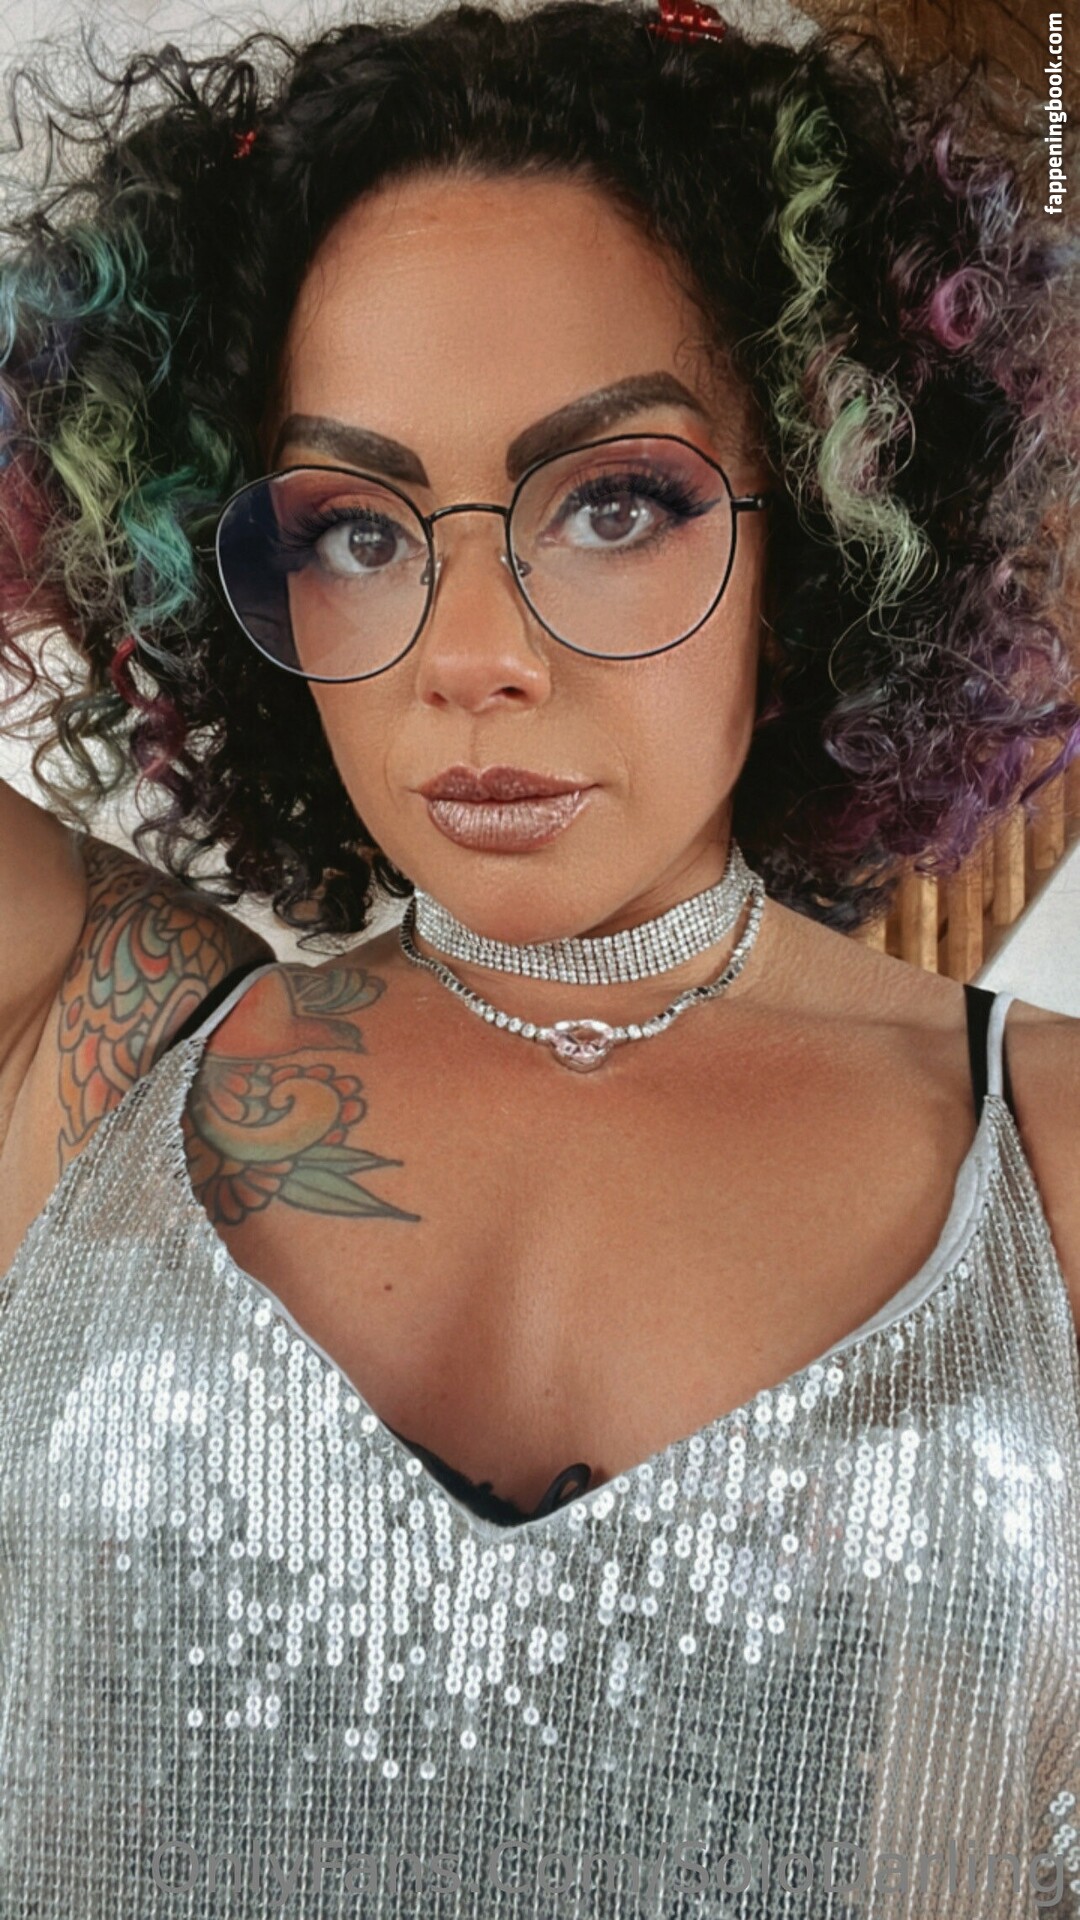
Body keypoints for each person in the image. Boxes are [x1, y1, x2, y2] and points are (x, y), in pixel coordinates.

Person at [0, 0, 1078, 1912]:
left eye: (614, 503)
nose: (472, 653)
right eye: (355, 527)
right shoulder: (88, 1030)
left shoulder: (1049, 1158)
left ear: (834, 519)